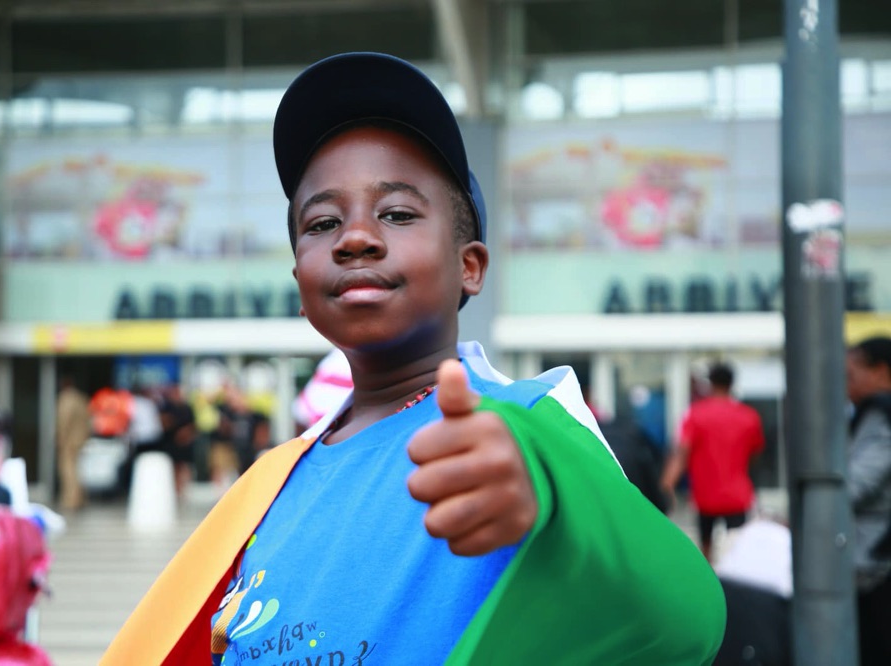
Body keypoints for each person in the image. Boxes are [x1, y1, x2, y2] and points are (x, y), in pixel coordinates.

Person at [102, 52, 724, 665]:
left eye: (397, 214)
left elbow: (688, 617)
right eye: (321, 223)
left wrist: (553, 498)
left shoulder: (524, 426)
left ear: (469, 266)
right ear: (299, 281)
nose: (354, 237)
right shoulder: (268, 484)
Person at [661, 362, 765, 560]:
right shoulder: (748, 416)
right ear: (732, 384)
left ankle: (709, 579)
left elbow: (682, 453)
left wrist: (667, 484)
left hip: (705, 496)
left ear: (710, 383)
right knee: (737, 550)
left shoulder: (696, 414)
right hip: (737, 495)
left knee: (706, 551)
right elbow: (755, 453)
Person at [845, 336, 891, 666]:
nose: (846, 385)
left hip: (876, 561)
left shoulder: (880, 412)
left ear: (881, 372)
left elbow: (856, 484)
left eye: (851, 375)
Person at [56, 375, 91, 511]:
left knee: (69, 471)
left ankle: (71, 500)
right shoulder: (81, 398)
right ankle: (80, 498)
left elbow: (64, 421)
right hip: (81, 440)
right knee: (78, 470)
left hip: (69, 441)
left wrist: (61, 438)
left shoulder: (66, 399)